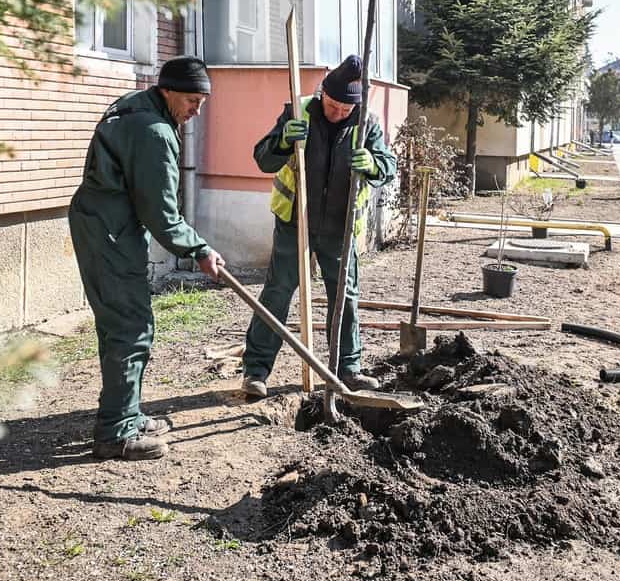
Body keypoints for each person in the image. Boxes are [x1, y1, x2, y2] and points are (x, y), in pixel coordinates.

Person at [68, 56, 225, 462]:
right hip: (110, 232)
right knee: (130, 326)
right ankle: (115, 433)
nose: (196, 110)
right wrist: (199, 250)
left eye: (202, 102)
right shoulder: (154, 131)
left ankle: (128, 414)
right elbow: (162, 213)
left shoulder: (136, 105)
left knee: (121, 323)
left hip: (102, 222)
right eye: (192, 100)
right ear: (168, 90)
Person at [240, 55, 397, 399]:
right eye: (332, 105)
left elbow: (388, 165)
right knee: (278, 292)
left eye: (345, 109)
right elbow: (262, 157)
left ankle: (347, 369)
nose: (337, 113)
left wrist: (372, 163)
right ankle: (255, 370)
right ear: (322, 93)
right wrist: (283, 140)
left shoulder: (366, 121)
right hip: (295, 221)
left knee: (345, 297)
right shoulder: (298, 110)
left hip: (340, 228)